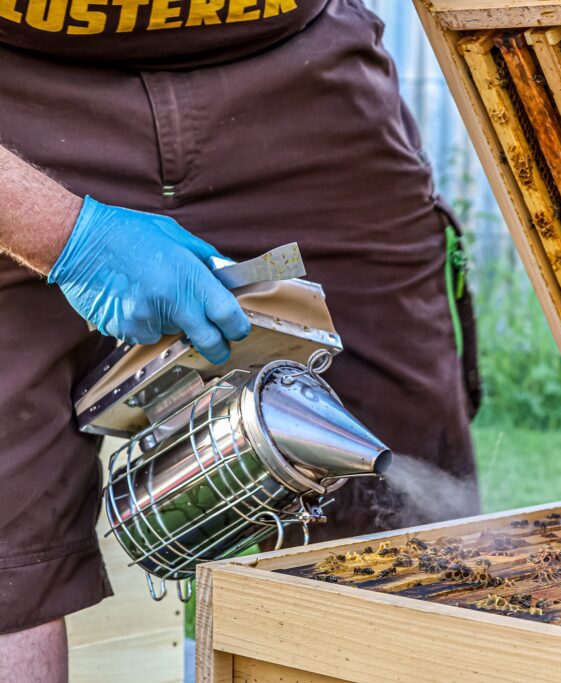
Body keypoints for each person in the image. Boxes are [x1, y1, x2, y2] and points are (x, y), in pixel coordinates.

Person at [0, 1, 482, 679]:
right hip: (19, 99)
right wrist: (68, 237)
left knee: (409, 547)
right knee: (8, 571)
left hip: (298, 68)